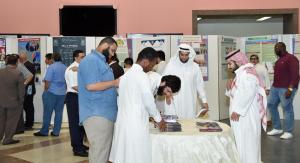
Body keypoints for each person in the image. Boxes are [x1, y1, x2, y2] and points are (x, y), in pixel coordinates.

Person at [109, 47, 181, 163]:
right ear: (146, 62)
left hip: (123, 121)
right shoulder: (142, 76)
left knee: (125, 156)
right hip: (136, 123)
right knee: (137, 156)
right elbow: (148, 101)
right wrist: (158, 119)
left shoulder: (126, 75)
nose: (152, 68)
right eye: (153, 65)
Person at [78, 37, 119, 163]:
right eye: (112, 50)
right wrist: (115, 82)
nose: (113, 54)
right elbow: (91, 86)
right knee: (100, 154)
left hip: (104, 113)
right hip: (97, 114)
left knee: (101, 153)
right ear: (105, 45)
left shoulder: (101, 61)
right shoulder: (91, 60)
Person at [225, 49, 267, 163]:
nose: (228, 67)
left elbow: (249, 93)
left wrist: (238, 111)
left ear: (238, 61)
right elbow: (236, 93)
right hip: (240, 115)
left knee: (248, 143)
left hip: (246, 115)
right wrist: (229, 88)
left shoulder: (248, 74)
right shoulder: (240, 74)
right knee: (241, 142)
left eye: (230, 63)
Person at [163, 44, 209, 118]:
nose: (184, 57)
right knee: (175, 124)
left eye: (186, 55)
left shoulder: (195, 67)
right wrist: (166, 93)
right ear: (178, 53)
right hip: (175, 99)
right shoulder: (171, 65)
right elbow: (163, 82)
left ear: (189, 54)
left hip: (189, 100)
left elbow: (200, 85)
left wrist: (204, 101)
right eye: (182, 54)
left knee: (189, 124)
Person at [267, 42, 299, 139]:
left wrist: (290, 88)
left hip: (286, 88)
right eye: (275, 47)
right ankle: (277, 128)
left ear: (284, 48)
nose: (276, 49)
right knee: (271, 105)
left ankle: (288, 131)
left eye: (278, 47)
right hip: (275, 87)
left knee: (287, 108)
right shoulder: (279, 60)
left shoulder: (291, 58)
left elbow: (295, 75)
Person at [34, 53, 67, 137]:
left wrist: (45, 91)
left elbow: (47, 81)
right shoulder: (65, 67)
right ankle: (56, 132)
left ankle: (44, 131)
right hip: (62, 93)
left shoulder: (51, 67)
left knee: (47, 113)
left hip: (51, 93)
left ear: (52, 59)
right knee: (59, 113)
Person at [65, 50, 88, 157]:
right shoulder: (72, 70)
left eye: (84, 56)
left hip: (80, 97)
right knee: (75, 124)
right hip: (74, 97)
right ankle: (77, 148)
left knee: (81, 123)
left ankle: (80, 144)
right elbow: (75, 86)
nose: (84, 58)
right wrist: (90, 91)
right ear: (76, 58)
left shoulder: (80, 68)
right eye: (82, 57)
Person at [0, 54, 25, 145]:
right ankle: (7, 139)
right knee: (11, 121)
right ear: (17, 62)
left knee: (1, 120)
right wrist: (21, 101)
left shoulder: (1, 72)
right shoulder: (18, 73)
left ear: (7, 62)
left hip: (1, 101)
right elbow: (21, 91)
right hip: (14, 102)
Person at [249, 54, 272, 125]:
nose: (253, 60)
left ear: (258, 60)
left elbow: (267, 78)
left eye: (255, 58)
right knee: (256, 105)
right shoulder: (249, 68)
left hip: (262, 89)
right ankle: (258, 120)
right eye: (252, 59)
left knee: (265, 105)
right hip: (253, 90)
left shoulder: (262, 67)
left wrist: (268, 89)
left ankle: (268, 120)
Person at [19, 52, 36, 130]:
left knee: (28, 106)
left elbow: (29, 77)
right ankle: (28, 123)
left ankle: (29, 124)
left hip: (28, 89)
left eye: (19, 58)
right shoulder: (29, 64)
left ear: (22, 58)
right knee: (27, 106)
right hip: (28, 89)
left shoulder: (27, 65)